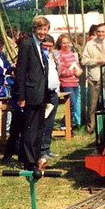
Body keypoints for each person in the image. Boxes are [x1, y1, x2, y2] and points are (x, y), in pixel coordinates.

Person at [15, 16, 49, 172]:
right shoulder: (27, 44)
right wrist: (21, 96)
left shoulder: (41, 46)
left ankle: (35, 158)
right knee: (30, 129)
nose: (42, 32)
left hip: (41, 93)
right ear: (34, 29)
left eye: (45, 29)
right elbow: (21, 71)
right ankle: (29, 161)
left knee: (39, 128)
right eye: (40, 29)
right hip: (30, 93)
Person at [2, 30, 29, 164]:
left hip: (24, 97)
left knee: (21, 130)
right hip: (19, 99)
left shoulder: (26, 59)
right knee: (16, 130)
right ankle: (8, 156)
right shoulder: (20, 60)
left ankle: (21, 156)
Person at [81, 22, 105, 133]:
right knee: (92, 105)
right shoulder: (90, 44)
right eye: (98, 31)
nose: (100, 34)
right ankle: (91, 127)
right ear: (95, 32)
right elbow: (84, 60)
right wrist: (97, 62)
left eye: (103, 31)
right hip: (95, 77)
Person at [39, 34, 60, 163]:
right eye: (45, 45)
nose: (48, 48)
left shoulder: (52, 57)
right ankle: (41, 151)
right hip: (44, 93)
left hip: (53, 92)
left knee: (50, 123)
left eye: (50, 46)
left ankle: (47, 149)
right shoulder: (40, 57)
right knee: (43, 122)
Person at [55, 33, 82, 130]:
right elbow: (61, 71)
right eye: (63, 43)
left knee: (74, 106)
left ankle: (67, 125)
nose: (66, 45)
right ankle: (64, 125)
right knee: (72, 106)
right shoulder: (59, 55)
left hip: (75, 82)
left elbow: (77, 66)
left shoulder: (71, 54)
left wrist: (78, 71)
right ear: (60, 44)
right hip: (66, 83)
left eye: (67, 43)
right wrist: (72, 72)